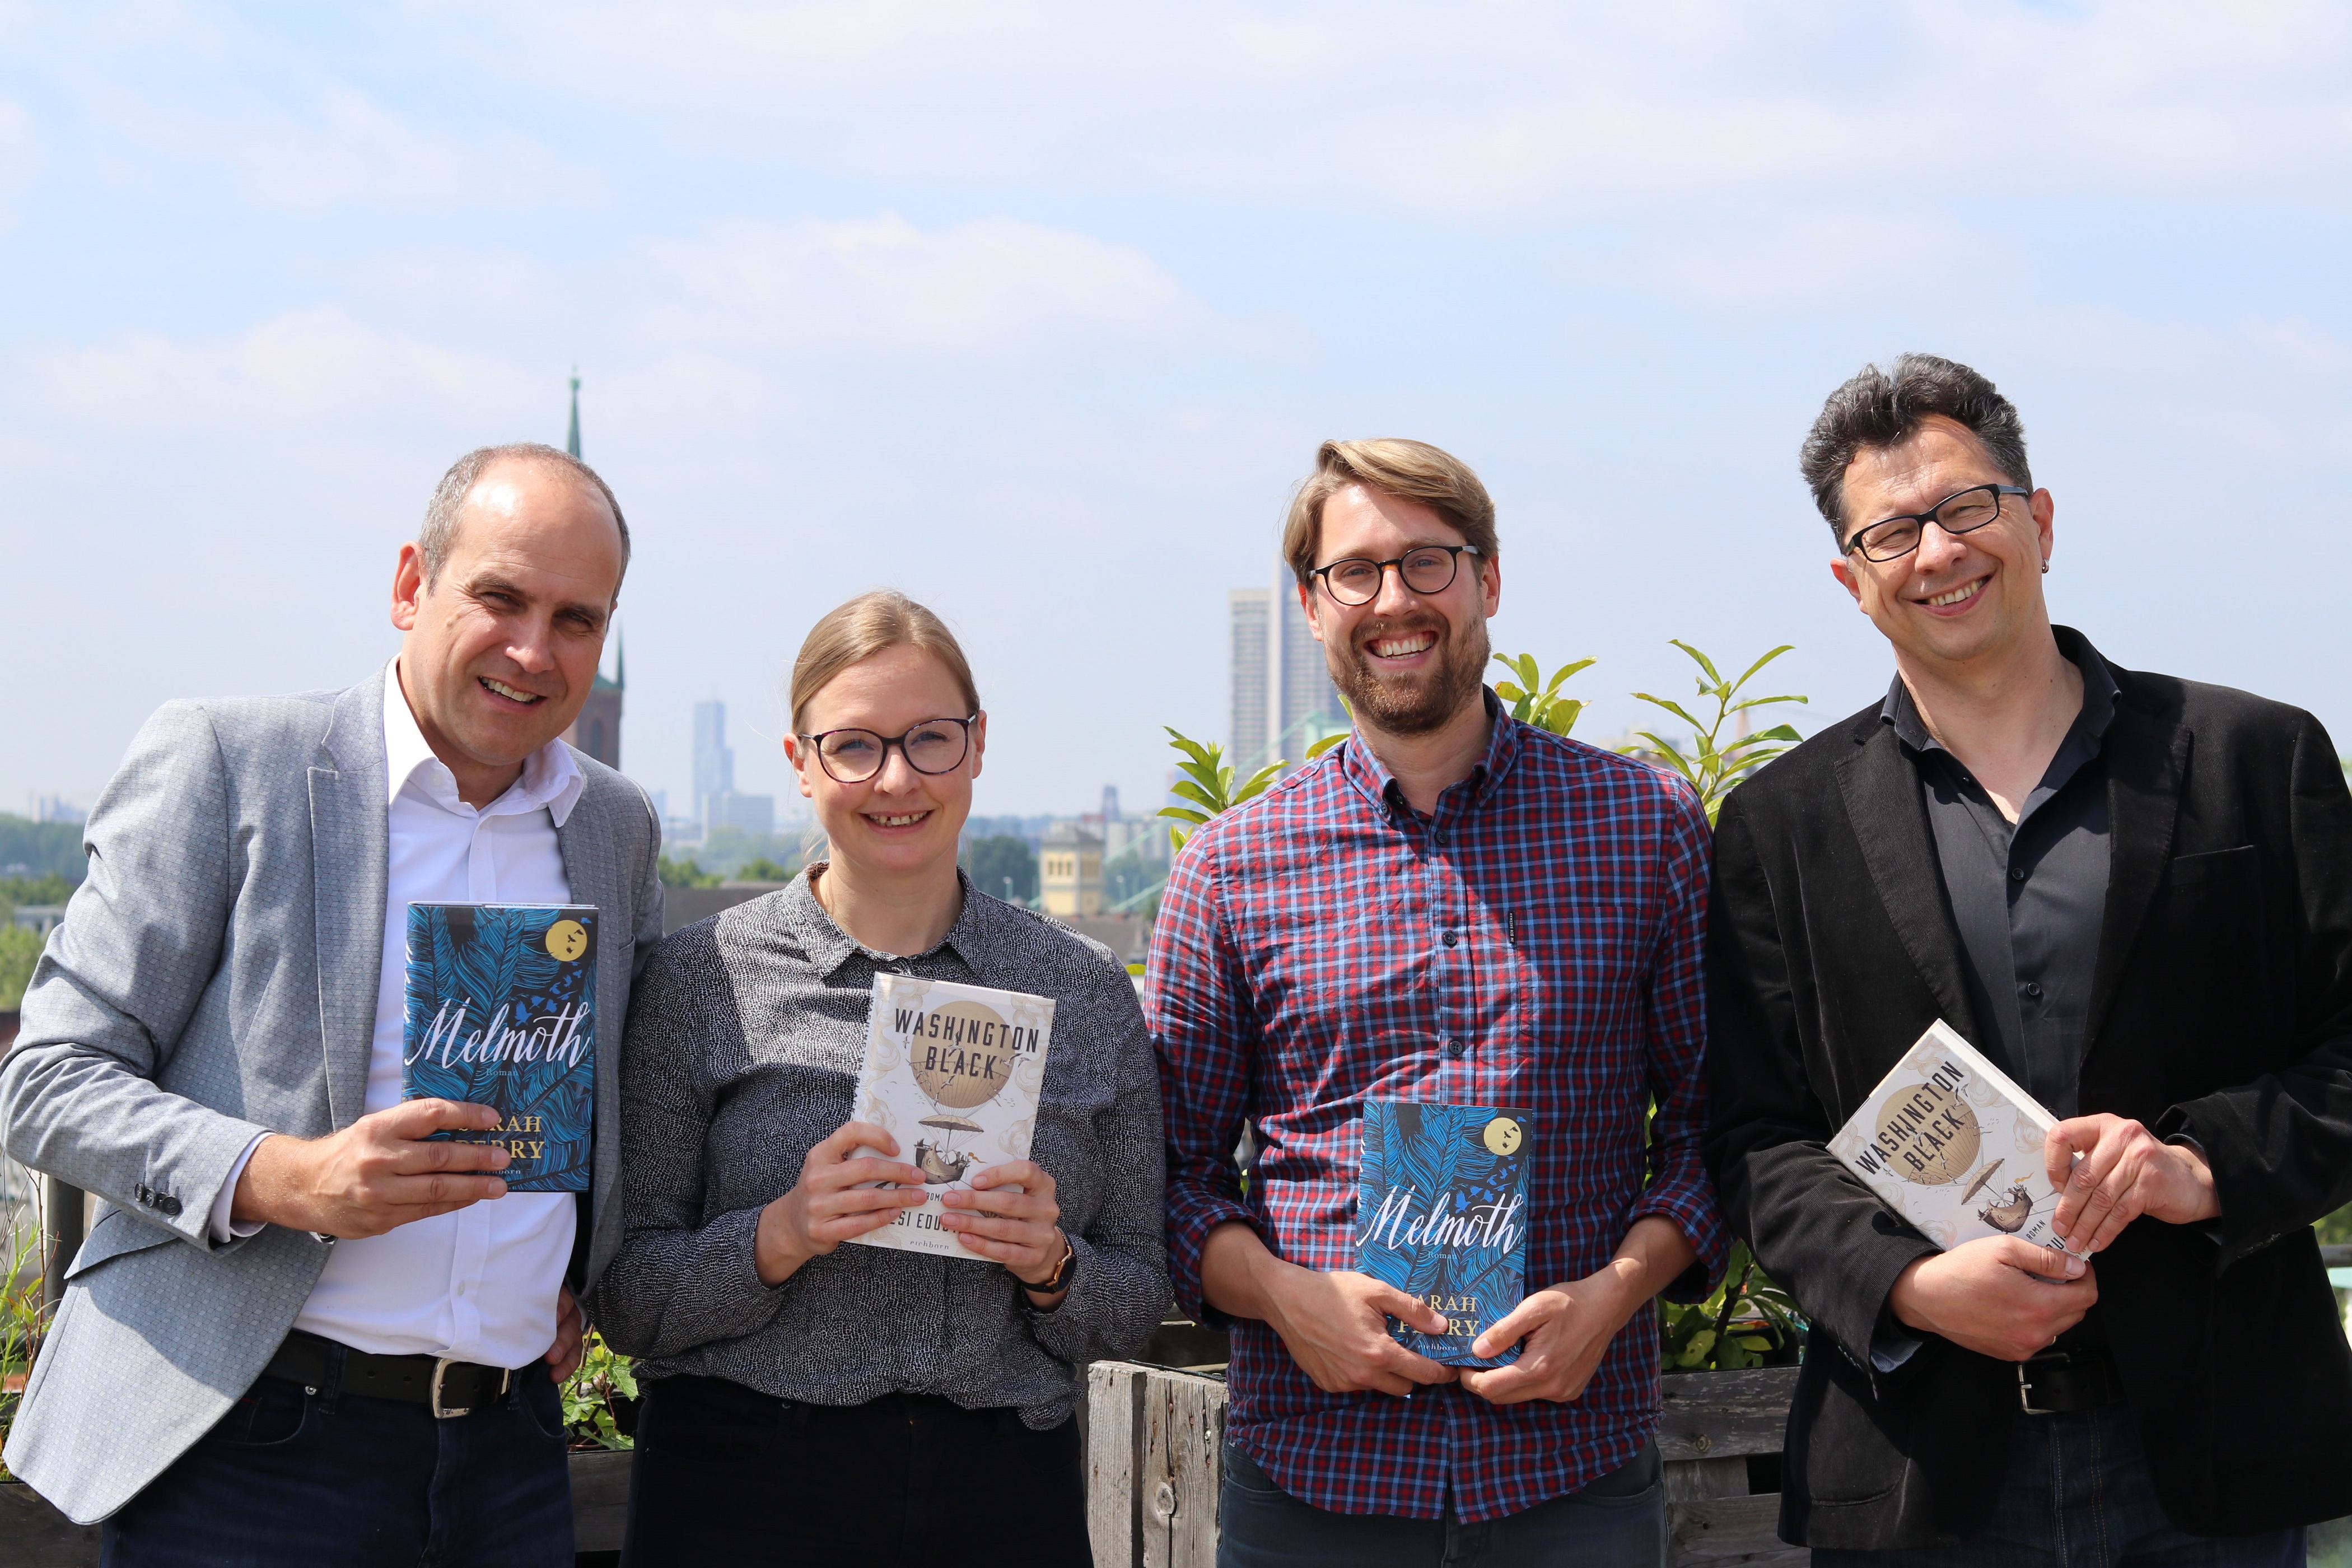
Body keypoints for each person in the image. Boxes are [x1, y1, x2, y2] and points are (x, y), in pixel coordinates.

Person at [1704, 354, 2352, 1561]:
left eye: (1967, 507)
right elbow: (1754, 1137)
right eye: (1892, 533)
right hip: (1920, 1464)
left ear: (2040, 521)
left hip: (2216, 1450)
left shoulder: (2257, 757)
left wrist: (2201, 1163)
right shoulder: (1780, 825)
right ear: (1853, 581)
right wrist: (1905, 1286)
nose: (1938, 552)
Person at [0, 443, 664, 1562]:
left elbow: (607, 1094)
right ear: (411, 584)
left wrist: (565, 1273)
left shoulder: (614, 823)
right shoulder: (230, 761)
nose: (533, 650)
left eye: (576, 619)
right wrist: (284, 1176)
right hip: (252, 1442)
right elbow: (47, 1081)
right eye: (500, 598)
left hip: (510, 1453)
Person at [1149, 438, 1728, 1567]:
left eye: (1427, 561)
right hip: (1315, 1472)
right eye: (1355, 572)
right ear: (1312, 606)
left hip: (1572, 1465)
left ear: (1488, 580)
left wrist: (1614, 1298)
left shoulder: (1645, 826)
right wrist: (1285, 1296)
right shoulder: (1230, 868)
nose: (1393, 600)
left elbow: (1715, 1131)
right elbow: (1169, 1172)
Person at [591, 590, 1168, 1568]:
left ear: (978, 746)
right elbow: (627, 1298)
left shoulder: (1084, 990)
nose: (896, 778)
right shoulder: (702, 976)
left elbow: (1138, 1300)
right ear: (800, 764)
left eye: (931, 738)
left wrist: (1052, 1266)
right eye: (854, 746)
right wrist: (779, 1235)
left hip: (1004, 1495)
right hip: (741, 1489)